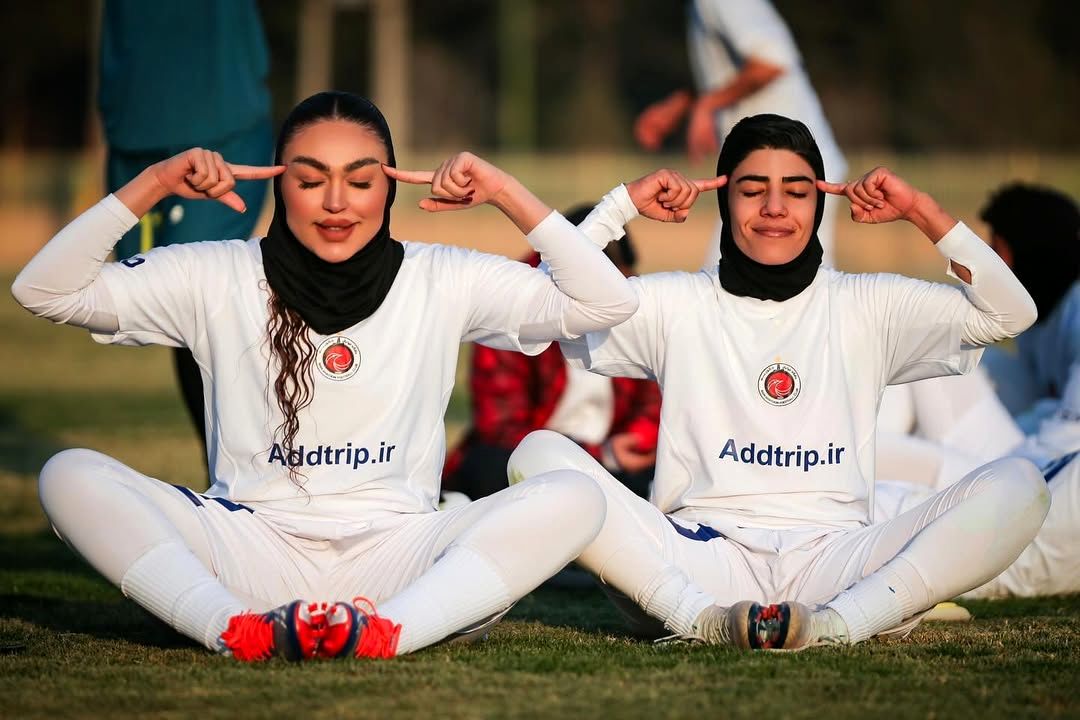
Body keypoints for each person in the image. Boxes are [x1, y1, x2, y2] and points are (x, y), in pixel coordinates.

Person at [11, 92, 720, 662]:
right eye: (310, 178)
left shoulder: (439, 275)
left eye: (360, 179)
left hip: (400, 559)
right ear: (276, 182)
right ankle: (235, 630)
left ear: (393, 186)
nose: (335, 202)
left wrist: (504, 191)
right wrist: (153, 186)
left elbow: (605, 300)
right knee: (68, 474)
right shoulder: (217, 271)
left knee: (571, 494)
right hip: (251, 549)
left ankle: (387, 635)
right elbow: (44, 290)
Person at [508, 114, 1047, 650]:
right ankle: (699, 620)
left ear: (820, 201)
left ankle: (842, 625)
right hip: (698, 561)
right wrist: (622, 205)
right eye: (751, 190)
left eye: (796, 191)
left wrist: (921, 212)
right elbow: (540, 306)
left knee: (1023, 484)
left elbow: (1011, 314)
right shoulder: (677, 301)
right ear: (723, 202)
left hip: (837, 565)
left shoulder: (868, 302)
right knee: (537, 455)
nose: (774, 209)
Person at [874, 184, 1080, 598]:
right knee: (939, 342)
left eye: (998, 250)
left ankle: (824, 450)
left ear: (1030, 249)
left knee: (934, 339)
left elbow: (1064, 439)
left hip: (1026, 474)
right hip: (1030, 457)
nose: (995, 262)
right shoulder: (1055, 309)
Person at [99, 0, 275, 471]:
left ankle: (245, 477)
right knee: (172, 311)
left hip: (223, 114)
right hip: (135, 124)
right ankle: (226, 475)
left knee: (206, 298)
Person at [443, 208, 661, 501]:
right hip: (529, 460)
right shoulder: (514, 302)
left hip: (615, 465)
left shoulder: (635, 303)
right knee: (490, 465)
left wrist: (638, 439)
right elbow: (500, 424)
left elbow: (655, 397)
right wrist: (598, 456)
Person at [633, 0, 847, 266]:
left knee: (724, 280)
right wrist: (680, 105)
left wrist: (707, 105)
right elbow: (730, 72)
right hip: (769, 167)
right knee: (732, 283)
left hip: (796, 165)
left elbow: (772, 62)